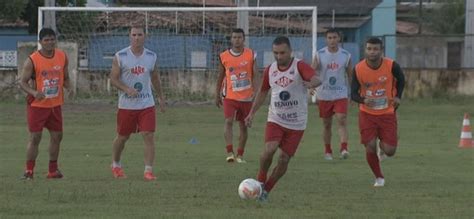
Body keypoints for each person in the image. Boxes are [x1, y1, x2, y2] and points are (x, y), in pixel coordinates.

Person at [245, 36, 321, 201]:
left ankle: (266, 190)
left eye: (282, 53)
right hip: (276, 119)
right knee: (269, 149)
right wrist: (252, 113)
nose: (279, 56)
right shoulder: (270, 70)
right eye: (276, 53)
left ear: (290, 51)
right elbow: (263, 92)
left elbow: (317, 78)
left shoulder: (299, 66)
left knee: (284, 159)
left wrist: (312, 83)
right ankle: (260, 179)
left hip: (297, 122)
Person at [109, 24, 165, 181]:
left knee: (148, 135)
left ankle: (148, 171)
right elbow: (113, 78)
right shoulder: (120, 56)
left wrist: (160, 97)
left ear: (145, 36)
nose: (137, 38)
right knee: (122, 137)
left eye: (139, 35)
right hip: (126, 106)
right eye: (134, 35)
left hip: (146, 104)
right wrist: (126, 89)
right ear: (129, 36)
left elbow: (155, 78)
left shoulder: (151, 56)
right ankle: (116, 164)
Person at [351, 37, 405, 187]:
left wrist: (398, 96)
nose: (372, 52)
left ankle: (385, 144)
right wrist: (363, 100)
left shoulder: (392, 65)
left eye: (375, 49)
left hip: (387, 112)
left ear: (381, 50)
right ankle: (379, 177)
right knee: (369, 146)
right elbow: (353, 93)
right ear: (365, 50)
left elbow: (401, 79)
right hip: (366, 113)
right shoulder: (358, 68)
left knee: (390, 151)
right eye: (369, 49)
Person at [19, 27, 70, 179]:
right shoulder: (32, 60)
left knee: (57, 136)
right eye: (46, 40)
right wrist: (34, 93)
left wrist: (70, 88)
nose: (49, 42)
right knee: (35, 137)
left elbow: (65, 77)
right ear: (40, 42)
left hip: (55, 105)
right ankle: (29, 171)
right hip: (37, 106)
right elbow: (22, 82)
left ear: (56, 40)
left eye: (52, 39)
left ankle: (52, 170)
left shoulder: (62, 56)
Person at [215, 28, 258, 163]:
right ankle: (229, 152)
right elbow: (220, 76)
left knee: (243, 126)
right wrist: (216, 94)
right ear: (231, 39)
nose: (236, 40)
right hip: (229, 96)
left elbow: (256, 75)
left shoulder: (251, 55)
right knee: (228, 121)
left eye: (239, 37)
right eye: (234, 37)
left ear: (243, 39)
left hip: (246, 97)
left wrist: (257, 92)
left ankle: (240, 155)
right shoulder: (224, 56)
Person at [311, 28, 352, 160]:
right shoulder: (320, 54)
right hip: (324, 94)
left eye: (334, 37)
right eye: (329, 38)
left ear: (339, 38)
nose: (332, 40)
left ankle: (344, 148)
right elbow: (312, 72)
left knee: (342, 118)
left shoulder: (346, 55)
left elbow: (350, 75)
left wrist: (353, 93)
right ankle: (328, 151)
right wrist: (310, 86)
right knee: (327, 124)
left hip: (340, 93)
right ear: (326, 39)